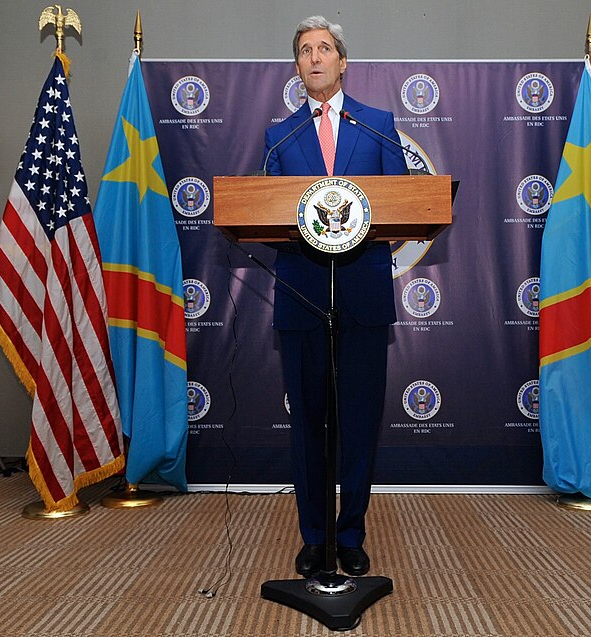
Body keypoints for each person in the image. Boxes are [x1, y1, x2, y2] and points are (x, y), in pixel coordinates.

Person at [262, 15, 408, 577]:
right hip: (302, 296)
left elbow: (400, 203)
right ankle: (315, 536)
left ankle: (350, 535)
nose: (315, 57)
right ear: (297, 66)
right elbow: (265, 212)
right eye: (305, 50)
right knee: (308, 427)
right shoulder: (281, 136)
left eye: (325, 48)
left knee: (360, 421)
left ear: (343, 62)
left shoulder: (377, 125)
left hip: (362, 295)